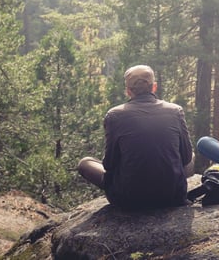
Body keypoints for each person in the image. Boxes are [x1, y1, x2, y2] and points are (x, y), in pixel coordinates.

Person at [77, 64, 194, 210]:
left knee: (85, 163)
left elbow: (109, 164)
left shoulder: (115, 115)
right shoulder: (175, 111)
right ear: (154, 87)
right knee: (191, 154)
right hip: (172, 196)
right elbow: (187, 157)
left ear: (128, 91)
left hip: (128, 199)